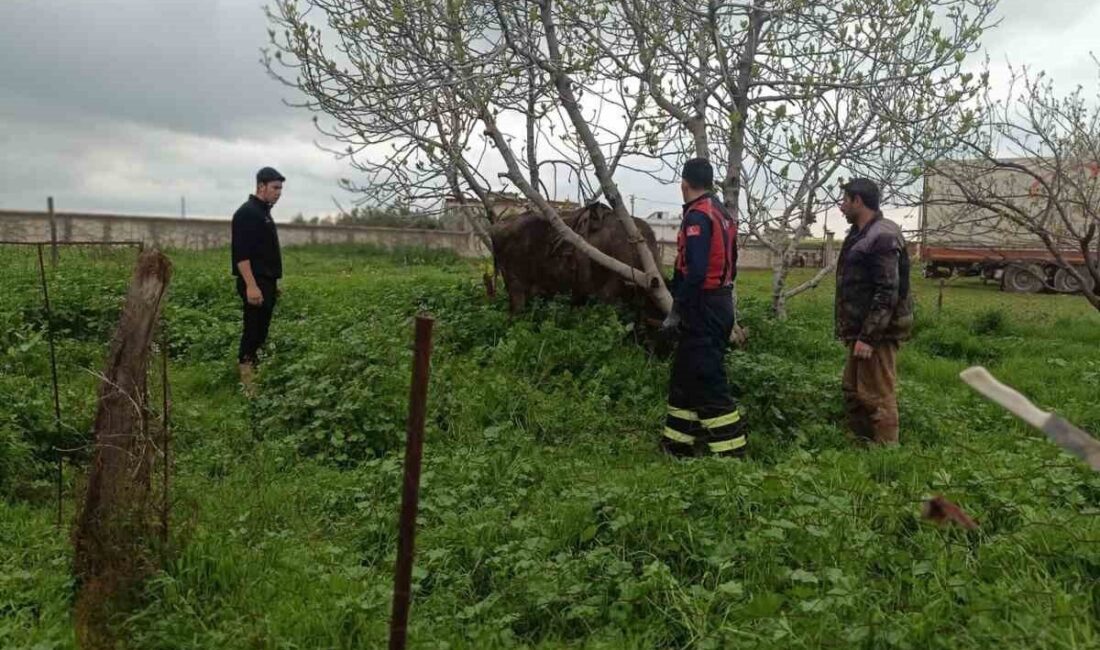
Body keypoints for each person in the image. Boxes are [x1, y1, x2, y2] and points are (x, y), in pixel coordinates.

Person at [659, 158, 747, 457]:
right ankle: (677, 444)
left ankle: (731, 450)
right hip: (719, 302)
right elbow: (731, 265)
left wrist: (678, 311)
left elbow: (695, 272)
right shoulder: (722, 213)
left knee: (708, 378)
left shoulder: (698, 217)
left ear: (684, 184)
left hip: (703, 304)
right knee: (684, 375)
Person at [835, 178, 913, 445]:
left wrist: (869, 336)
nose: (841, 207)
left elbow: (887, 290)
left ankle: (885, 457)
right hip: (861, 330)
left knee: (877, 395)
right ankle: (861, 445)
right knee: (853, 390)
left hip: (876, 333)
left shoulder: (882, 235)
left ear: (858, 201)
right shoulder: (861, 233)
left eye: (845, 200)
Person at [231, 166, 285, 391]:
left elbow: (265, 252)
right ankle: (247, 380)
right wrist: (252, 286)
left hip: (266, 281)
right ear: (260, 186)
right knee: (252, 329)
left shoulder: (264, 212)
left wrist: (274, 283)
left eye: (280, 188)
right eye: (274, 188)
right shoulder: (247, 212)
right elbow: (241, 255)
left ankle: (256, 371)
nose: (278, 193)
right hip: (254, 281)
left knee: (262, 330)